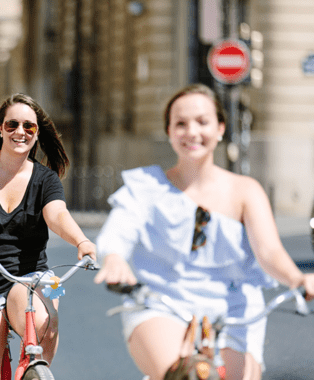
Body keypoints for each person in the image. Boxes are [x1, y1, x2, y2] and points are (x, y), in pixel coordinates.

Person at [93, 83, 314, 380]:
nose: (192, 132)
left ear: (220, 128)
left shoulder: (246, 191)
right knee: (188, 376)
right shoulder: (146, 186)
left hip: (235, 309)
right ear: (169, 132)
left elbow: (269, 251)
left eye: (202, 122)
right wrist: (114, 258)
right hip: (161, 303)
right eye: (180, 124)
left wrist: (297, 278)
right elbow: (119, 230)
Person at [0, 93, 96, 380]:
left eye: (29, 127)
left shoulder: (45, 179)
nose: (20, 132)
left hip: (33, 275)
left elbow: (58, 215)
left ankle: (35, 373)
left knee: (47, 323)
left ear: (37, 134)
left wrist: (82, 241)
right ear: (0, 128)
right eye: (12, 124)